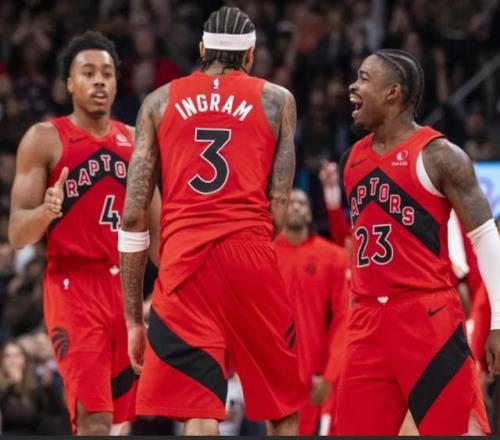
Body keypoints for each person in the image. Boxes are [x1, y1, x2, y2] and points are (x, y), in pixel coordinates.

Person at [119, 6, 307, 436]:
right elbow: (278, 211)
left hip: (184, 261)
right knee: (281, 405)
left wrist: (133, 319)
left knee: (198, 407)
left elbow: (132, 215)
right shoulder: (277, 100)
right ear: (250, 55)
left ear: (202, 49)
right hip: (249, 253)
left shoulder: (158, 101)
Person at [335, 48, 500, 435]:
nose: (352, 87)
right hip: (366, 320)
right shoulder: (350, 160)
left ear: (393, 93)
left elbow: (486, 239)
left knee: (458, 429)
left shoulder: (441, 156)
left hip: (426, 315)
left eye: (364, 78)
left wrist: (498, 321)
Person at [8, 31, 159, 435]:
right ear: (69, 84)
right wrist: (46, 211)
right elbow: (18, 233)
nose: (99, 82)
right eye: (88, 73)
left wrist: (174, 290)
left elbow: (160, 236)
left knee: (121, 422)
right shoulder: (44, 139)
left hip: (125, 288)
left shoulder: (137, 142)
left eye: (107, 74)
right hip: (72, 285)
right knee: (95, 417)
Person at [274, 188, 350, 435]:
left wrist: (329, 375)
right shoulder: (265, 253)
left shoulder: (333, 257)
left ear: (309, 213)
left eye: (302, 203)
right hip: (270, 365)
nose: (296, 206)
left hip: (311, 373)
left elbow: (343, 318)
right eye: (290, 202)